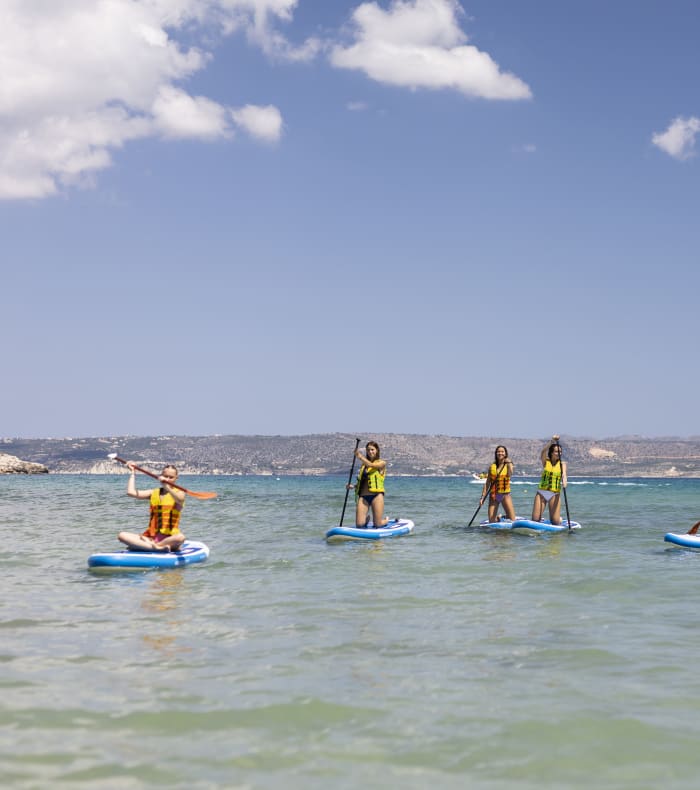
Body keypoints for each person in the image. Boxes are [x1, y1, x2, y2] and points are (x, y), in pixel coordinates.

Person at [117, 462, 186, 552]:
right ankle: (155, 548)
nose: (167, 479)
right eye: (165, 476)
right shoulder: (153, 493)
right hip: (152, 538)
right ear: (161, 476)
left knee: (181, 538)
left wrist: (166, 486)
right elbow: (131, 492)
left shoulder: (179, 493)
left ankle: (147, 546)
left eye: (171, 477)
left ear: (176, 478)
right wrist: (133, 473)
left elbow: (180, 499)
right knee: (122, 535)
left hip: (170, 540)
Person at [347, 441, 389, 527]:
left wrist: (359, 456)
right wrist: (353, 486)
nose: (370, 452)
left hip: (376, 496)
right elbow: (363, 482)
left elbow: (371, 465)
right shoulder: (364, 466)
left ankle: (385, 520)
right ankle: (366, 520)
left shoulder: (382, 463)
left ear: (377, 450)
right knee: (359, 525)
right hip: (363, 497)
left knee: (377, 525)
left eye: (372, 449)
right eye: (368, 450)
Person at [531, 435, 568, 525]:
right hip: (541, 493)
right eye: (556, 451)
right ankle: (540, 518)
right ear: (551, 452)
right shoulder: (545, 461)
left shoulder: (562, 464)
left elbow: (564, 475)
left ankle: (558, 518)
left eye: (560, 452)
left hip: (554, 494)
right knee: (535, 520)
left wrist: (564, 482)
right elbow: (543, 451)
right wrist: (552, 441)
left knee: (555, 522)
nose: (559, 453)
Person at [480, 445, 516, 522]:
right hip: (494, 495)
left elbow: (510, 474)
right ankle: (498, 518)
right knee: (491, 521)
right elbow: (487, 483)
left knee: (512, 519)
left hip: (505, 494)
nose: (500, 453)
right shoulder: (492, 466)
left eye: (502, 451)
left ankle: (502, 517)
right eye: (498, 452)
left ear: (505, 454)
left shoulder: (509, 464)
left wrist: (509, 463)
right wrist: (482, 497)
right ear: (496, 453)